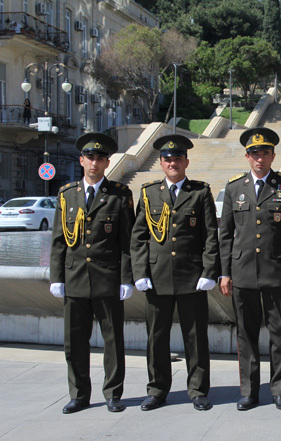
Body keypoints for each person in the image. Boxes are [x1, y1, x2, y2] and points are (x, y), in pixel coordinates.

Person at [219, 127, 281, 411]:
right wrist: (224, 272)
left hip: (277, 273)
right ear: (247, 156)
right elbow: (225, 234)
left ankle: (280, 390)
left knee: (280, 334)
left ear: (273, 155)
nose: (260, 158)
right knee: (246, 335)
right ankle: (249, 392)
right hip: (242, 272)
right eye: (255, 153)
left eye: (265, 153)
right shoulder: (234, 188)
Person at [131, 134, 220, 411]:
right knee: (156, 337)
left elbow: (210, 236)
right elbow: (138, 236)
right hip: (156, 278)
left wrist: (209, 271)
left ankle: (197, 390)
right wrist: (140, 272)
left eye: (177, 159)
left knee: (195, 337)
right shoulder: (148, 193)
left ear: (186, 162)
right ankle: (157, 389)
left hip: (191, 276)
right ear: (161, 163)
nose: (173, 163)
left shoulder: (200, 192)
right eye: (168, 159)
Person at [49, 132, 135, 414]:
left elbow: (127, 241)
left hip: (108, 278)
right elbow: (59, 240)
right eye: (90, 158)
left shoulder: (120, 195)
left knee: (113, 342)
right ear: (81, 160)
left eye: (100, 158)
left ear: (107, 163)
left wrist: (126, 278)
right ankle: (79, 394)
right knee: (74, 342)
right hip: (74, 279)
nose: (94, 163)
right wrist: (56, 277)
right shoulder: (66, 194)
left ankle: (113, 393)